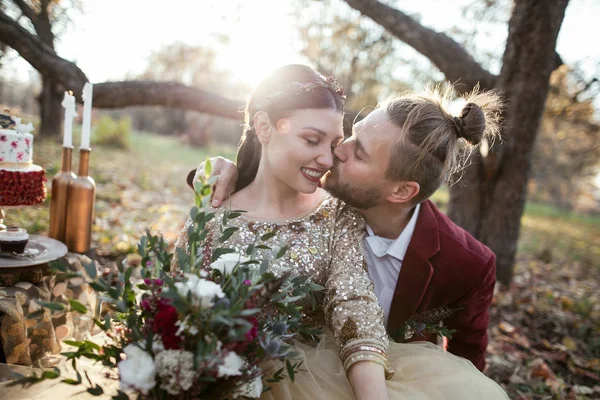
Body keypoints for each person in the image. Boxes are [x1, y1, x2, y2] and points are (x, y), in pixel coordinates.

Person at [177, 64, 508, 399]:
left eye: (358, 152)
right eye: (350, 134)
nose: (335, 153)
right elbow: (267, 176)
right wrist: (221, 171)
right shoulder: (321, 190)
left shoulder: (467, 265)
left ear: (400, 192)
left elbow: (463, 366)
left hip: (373, 377)